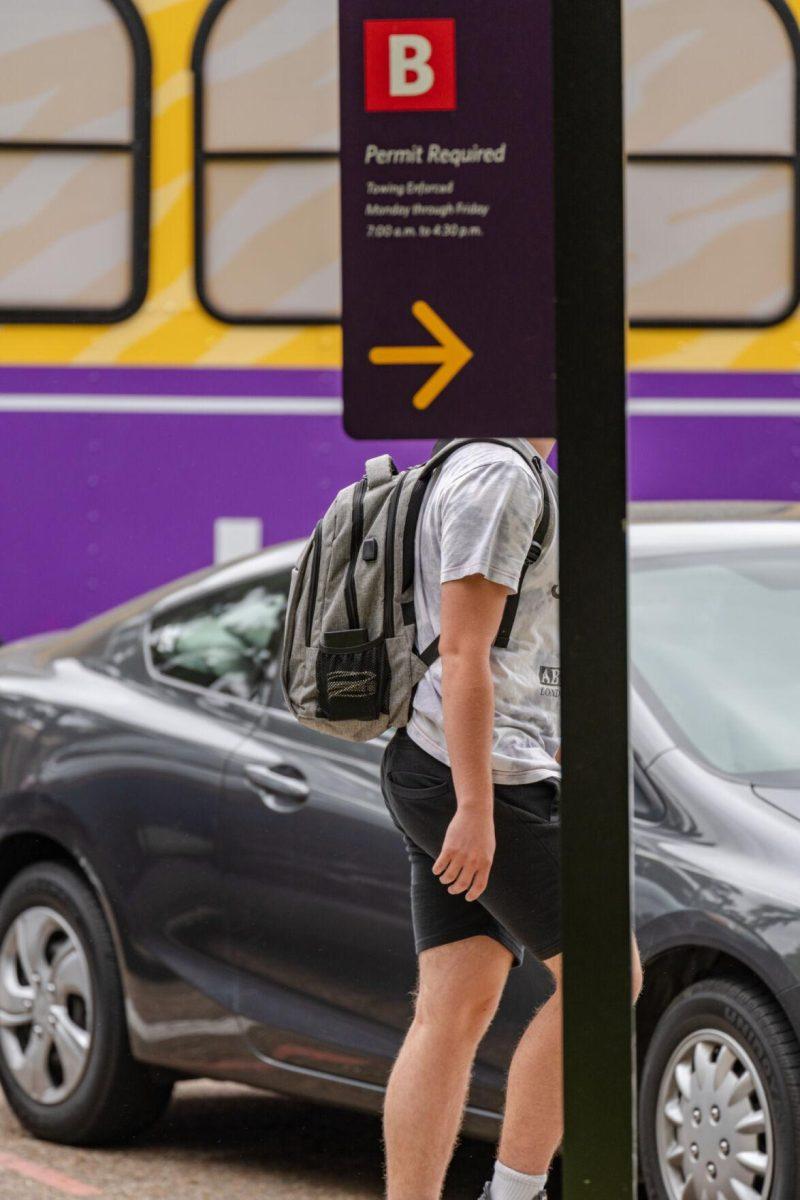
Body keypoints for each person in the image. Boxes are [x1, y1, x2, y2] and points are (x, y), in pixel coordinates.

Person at [379, 437, 644, 1200]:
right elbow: (464, 653)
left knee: (454, 1009)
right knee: (604, 981)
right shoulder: (498, 474)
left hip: (454, 766)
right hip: (480, 776)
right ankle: (515, 1194)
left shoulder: (491, 465)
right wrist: (474, 807)